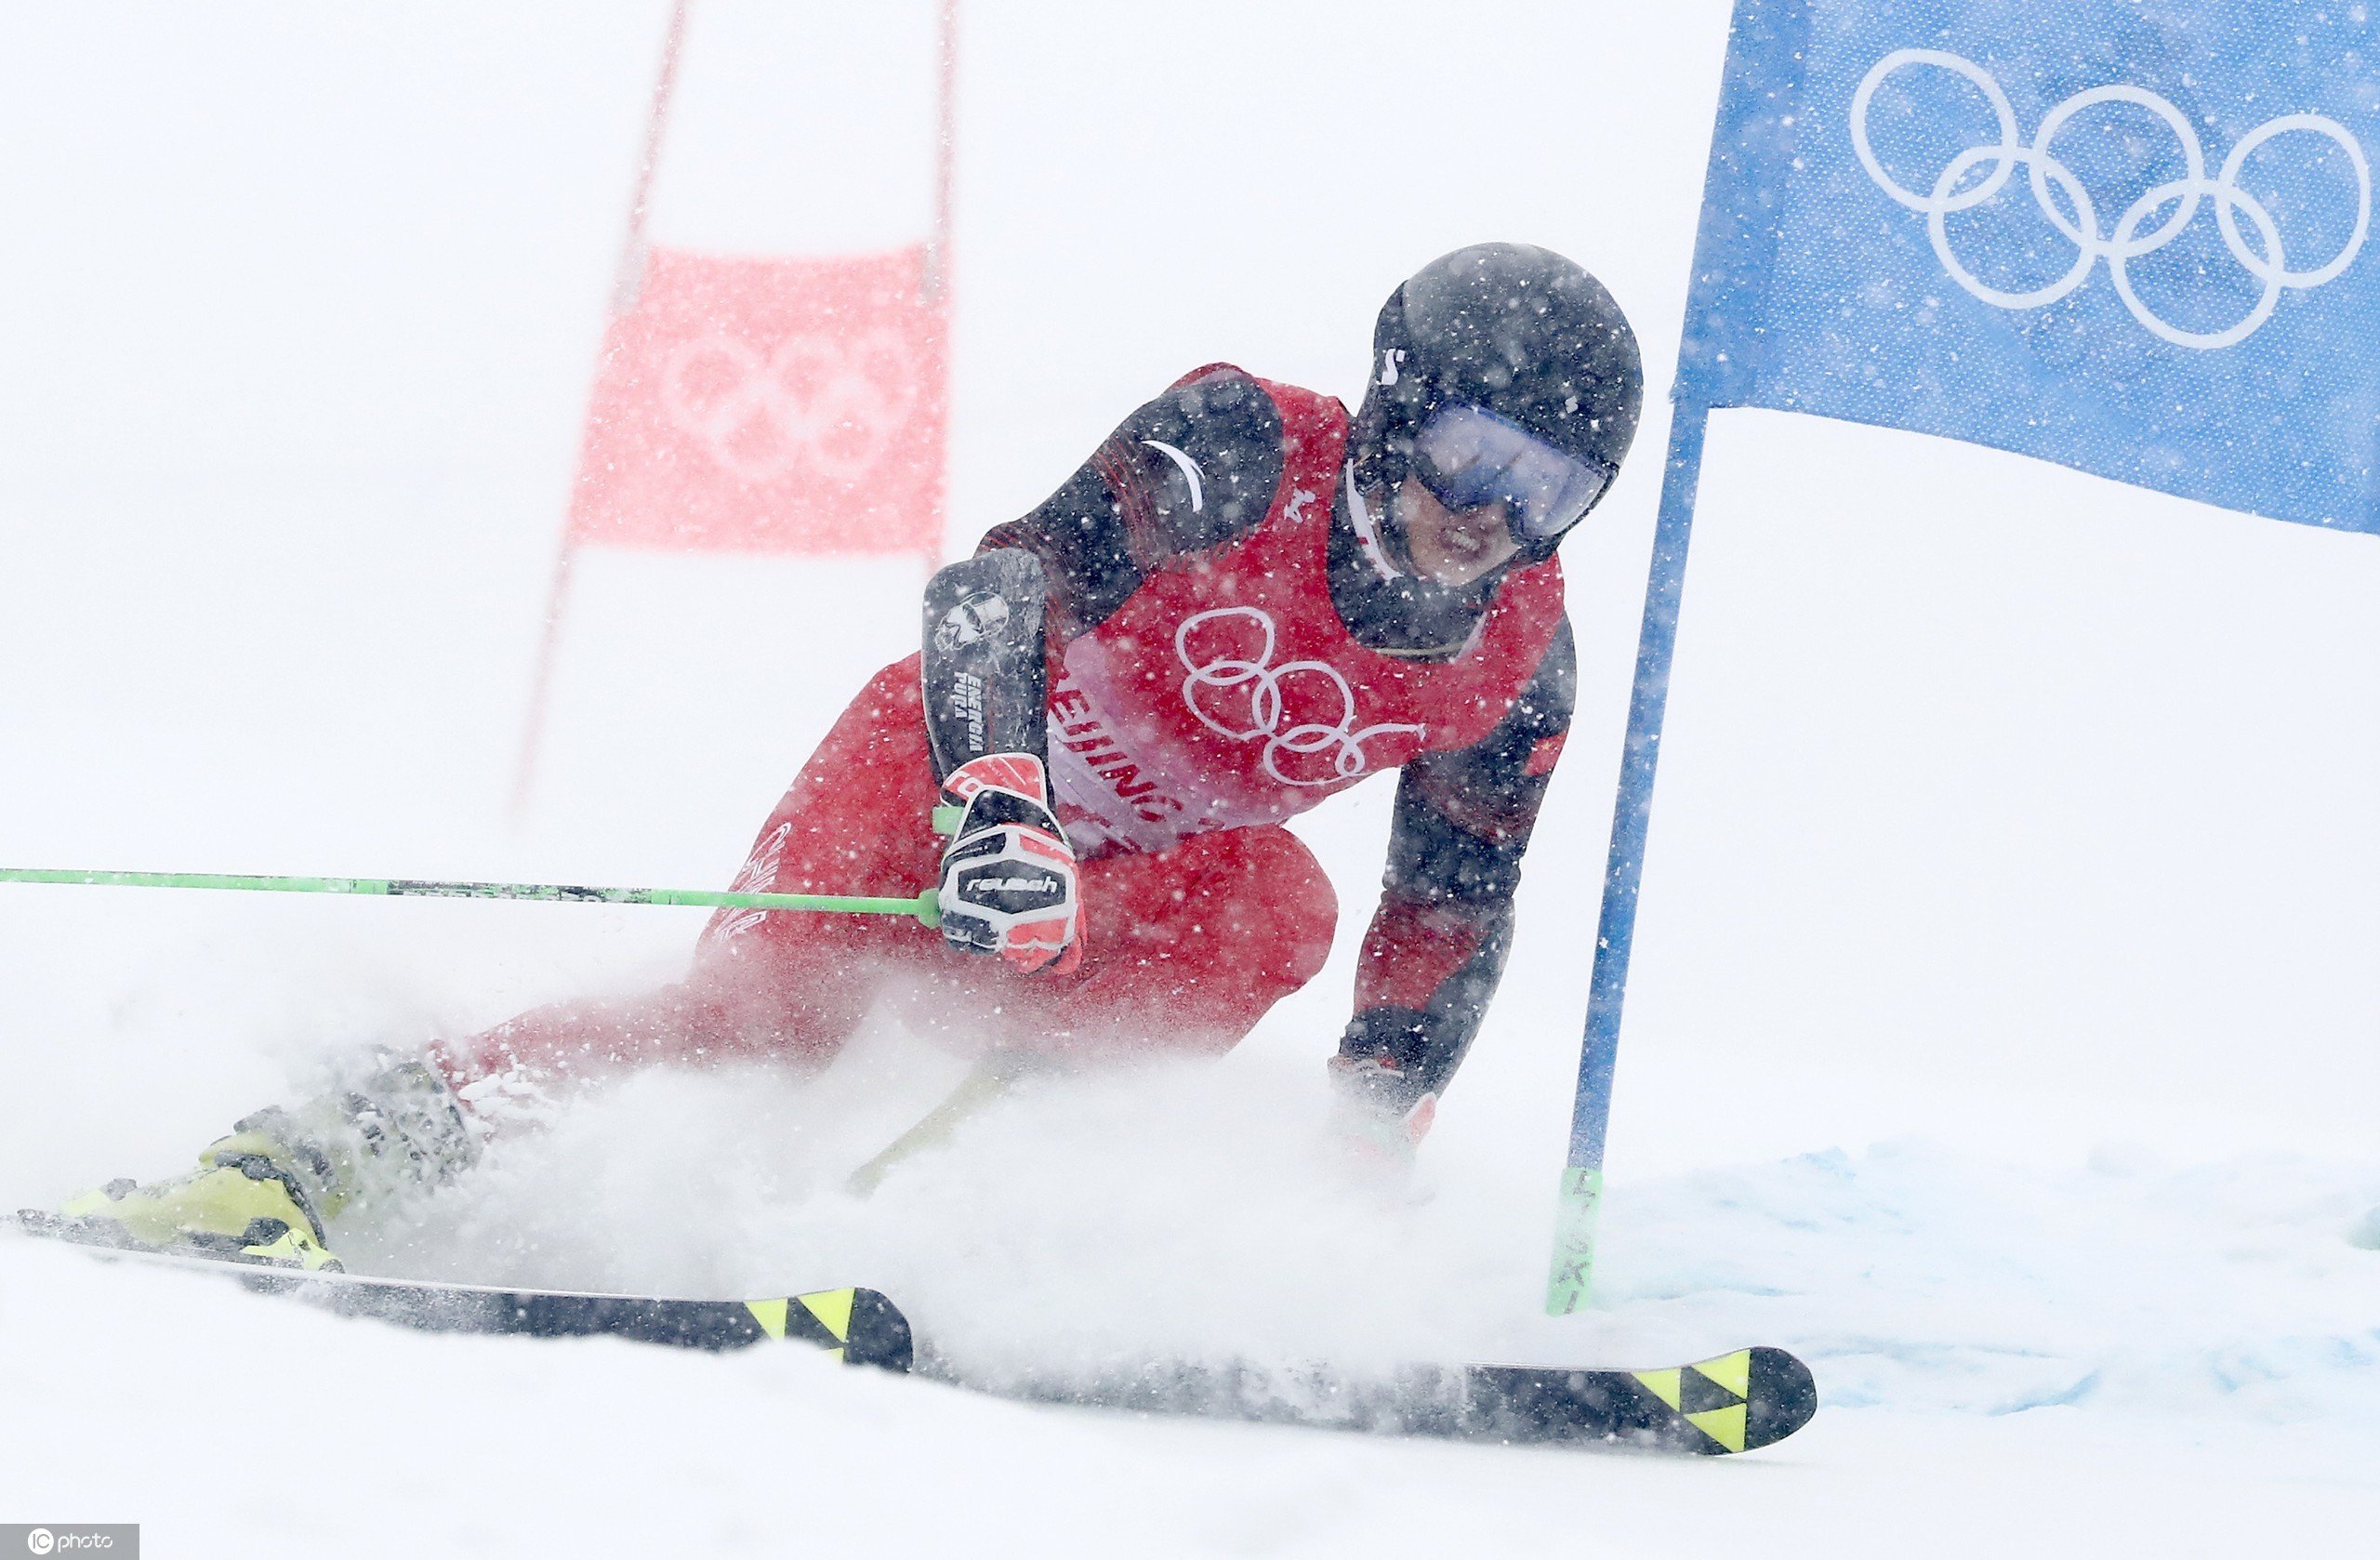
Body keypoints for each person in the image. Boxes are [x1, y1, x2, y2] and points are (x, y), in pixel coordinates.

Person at [40, 242, 1643, 1272]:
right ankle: (311, 1157)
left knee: (1282, 903)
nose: (1490, 510)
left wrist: (1376, 1115)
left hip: (1141, 878)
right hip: (947, 767)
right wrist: (999, 801)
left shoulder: (1516, 664)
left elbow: (1451, 907)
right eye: (1472, 451)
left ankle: (945, 1211)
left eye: (1549, 487)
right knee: (757, 1026)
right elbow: (992, 594)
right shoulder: (1242, 449)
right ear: (1393, 410)